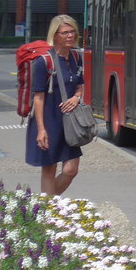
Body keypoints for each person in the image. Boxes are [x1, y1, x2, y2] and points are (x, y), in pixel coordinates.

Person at [25, 14, 85, 197]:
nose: (70, 35)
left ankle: (44, 204)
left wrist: (76, 97)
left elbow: (80, 86)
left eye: (72, 31)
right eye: (65, 32)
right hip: (48, 120)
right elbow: (39, 98)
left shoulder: (76, 57)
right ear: (55, 35)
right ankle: (49, 209)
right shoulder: (43, 62)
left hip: (69, 122)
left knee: (70, 170)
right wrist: (41, 130)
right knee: (49, 169)